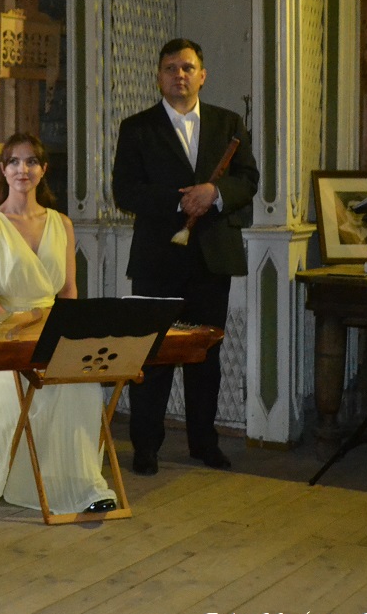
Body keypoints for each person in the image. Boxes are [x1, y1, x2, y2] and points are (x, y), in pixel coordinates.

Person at [111, 38, 259, 475]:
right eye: (170, 68)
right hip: (157, 261)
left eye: (188, 67)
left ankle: (203, 443)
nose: (179, 74)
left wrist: (215, 192)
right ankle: (145, 446)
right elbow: (125, 191)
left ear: (202, 75)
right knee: (152, 355)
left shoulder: (229, 123)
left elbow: (248, 178)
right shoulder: (136, 128)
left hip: (212, 259)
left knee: (205, 357)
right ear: (158, 77)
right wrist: (180, 202)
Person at [0, 133, 119, 515]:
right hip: (8, 333)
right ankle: (18, 479)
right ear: (3, 170)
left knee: (83, 387)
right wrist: (16, 327)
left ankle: (83, 484)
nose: (24, 169)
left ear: (43, 169)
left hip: (54, 330)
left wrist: (65, 333)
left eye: (32, 161)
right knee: (13, 395)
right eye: (15, 161)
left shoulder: (62, 223)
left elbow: (68, 290)